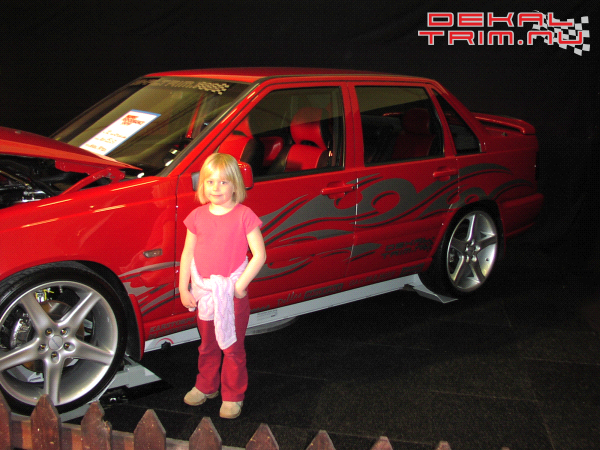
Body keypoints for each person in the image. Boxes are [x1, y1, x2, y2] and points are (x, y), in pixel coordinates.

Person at [179, 153, 266, 419]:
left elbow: (259, 255)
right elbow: (187, 254)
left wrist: (239, 286)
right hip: (205, 294)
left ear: (235, 185)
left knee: (232, 347)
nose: (216, 188)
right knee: (207, 345)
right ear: (202, 184)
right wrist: (184, 287)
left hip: (231, 295)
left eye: (223, 182)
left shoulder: (244, 215)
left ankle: (233, 395)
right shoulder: (196, 216)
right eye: (210, 181)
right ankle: (206, 386)